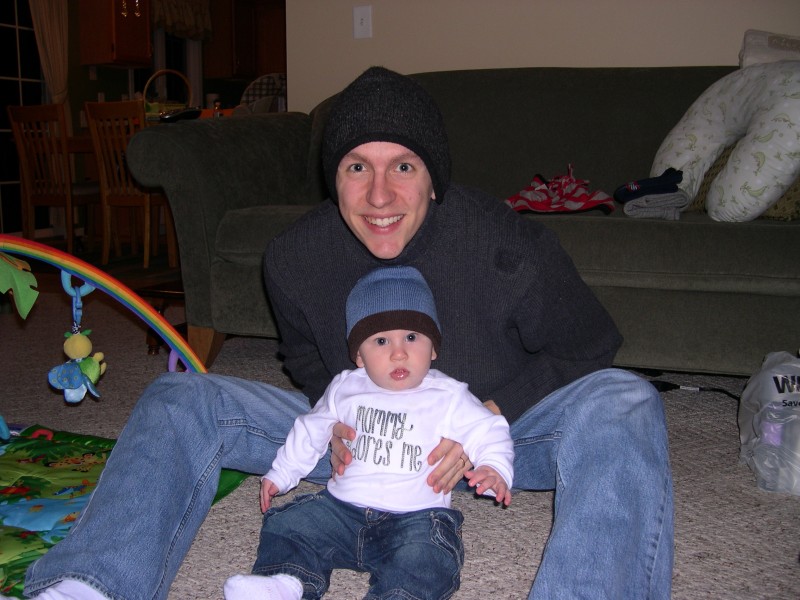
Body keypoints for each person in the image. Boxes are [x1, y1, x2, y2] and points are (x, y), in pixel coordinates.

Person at [21, 66, 673, 600]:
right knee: (179, 398)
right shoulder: (294, 259)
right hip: (367, 434)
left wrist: (487, 421)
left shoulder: (504, 244)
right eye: (358, 167)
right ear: (334, 176)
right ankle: (89, 583)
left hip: (497, 435)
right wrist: (335, 420)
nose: (380, 196)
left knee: (624, 401)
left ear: (433, 177)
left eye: (404, 168)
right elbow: (305, 356)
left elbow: (591, 345)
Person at [224, 266, 513, 599]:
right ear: (359, 356)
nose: (399, 352)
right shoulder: (345, 386)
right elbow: (312, 426)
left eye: (412, 337)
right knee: (289, 525)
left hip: (416, 519)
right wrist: (283, 472)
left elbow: (487, 429)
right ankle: (286, 581)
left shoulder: (449, 395)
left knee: (427, 558)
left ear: (433, 349)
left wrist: (494, 468)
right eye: (381, 341)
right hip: (340, 508)